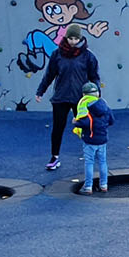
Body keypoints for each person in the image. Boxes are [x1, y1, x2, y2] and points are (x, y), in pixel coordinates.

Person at [34, 25, 101, 171]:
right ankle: (54, 157)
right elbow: (49, 75)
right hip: (61, 97)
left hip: (80, 98)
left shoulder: (88, 56)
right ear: (66, 37)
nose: (73, 41)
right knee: (58, 127)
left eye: (76, 38)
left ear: (80, 38)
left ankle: (92, 153)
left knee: (85, 126)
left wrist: (96, 94)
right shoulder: (57, 54)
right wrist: (40, 91)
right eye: (70, 38)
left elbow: (94, 76)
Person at [70, 81, 113, 193]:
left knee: (89, 162)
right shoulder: (105, 105)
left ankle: (88, 187)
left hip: (90, 139)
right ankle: (104, 185)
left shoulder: (85, 106)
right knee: (103, 162)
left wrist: (75, 122)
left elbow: (84, 122)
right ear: (97, 93)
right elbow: (111, 120)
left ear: (84, 94)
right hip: (102, 139)